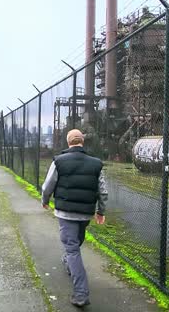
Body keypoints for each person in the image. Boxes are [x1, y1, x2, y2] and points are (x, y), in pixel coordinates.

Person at [41, 129, 107, 307]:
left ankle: (81, 294)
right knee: (76, 242)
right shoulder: (96, 164)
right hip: (85, 213)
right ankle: (69, 262)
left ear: (69, 142)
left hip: (66, 212)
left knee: (72, 249)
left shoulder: (59, 161)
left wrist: (45, 200)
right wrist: (100, 211)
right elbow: (103, 190)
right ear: (82, 142)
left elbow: (48, 185)